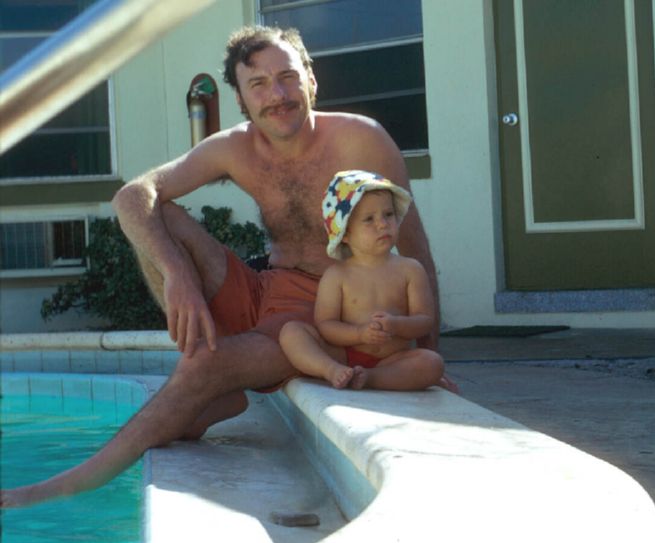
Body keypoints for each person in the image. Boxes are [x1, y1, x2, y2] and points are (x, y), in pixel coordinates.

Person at [0, 24, 452, 508]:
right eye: (258, 84)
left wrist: (422, 352)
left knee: (201, 371)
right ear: (240, 99)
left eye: (287, 77)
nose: (276, 95)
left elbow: (414, 251)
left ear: (311, 80)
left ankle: (68, 483)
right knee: (160, 217)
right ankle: (210, 372)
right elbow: (132, 196)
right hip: (261, 288)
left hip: (318, 312)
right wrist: (179, 278)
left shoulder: (362, 141)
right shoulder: (235, 147)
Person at [280, 170, 444, 390]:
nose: (383, 224)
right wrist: (359, 334)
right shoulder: (337, 276)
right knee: (291, 332)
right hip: (342, 355)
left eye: (388, 214)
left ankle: (370, 377)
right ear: (345, 234)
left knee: (432, 363)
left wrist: (396, 325)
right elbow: (325, 324)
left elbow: (424, 320)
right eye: (369, 219)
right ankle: (330, 370)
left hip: (392, 358)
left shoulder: (410, 269)